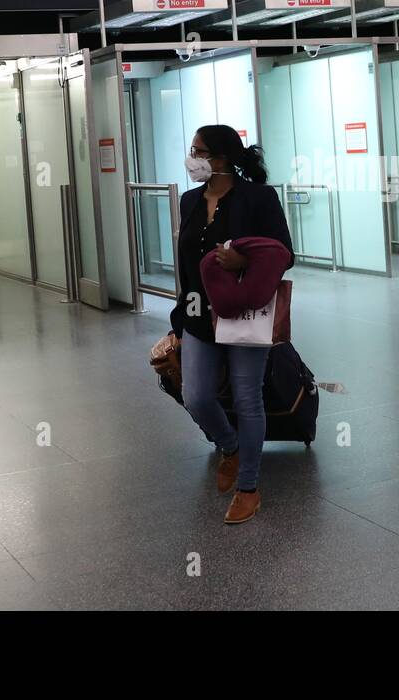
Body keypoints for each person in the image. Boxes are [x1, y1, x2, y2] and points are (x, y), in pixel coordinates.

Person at [166, 125, 292, 525]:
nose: (192, 157)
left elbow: (284, 253)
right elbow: (187, 266)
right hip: (198, 315)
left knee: (246, 398)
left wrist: (244, 262)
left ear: (220, 158)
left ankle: (249, 488)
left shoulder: (259, 197)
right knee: (197, 396)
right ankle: (231, 446)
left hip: (243, 315)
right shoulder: (189, 201)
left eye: (197, 151)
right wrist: (177, 321)